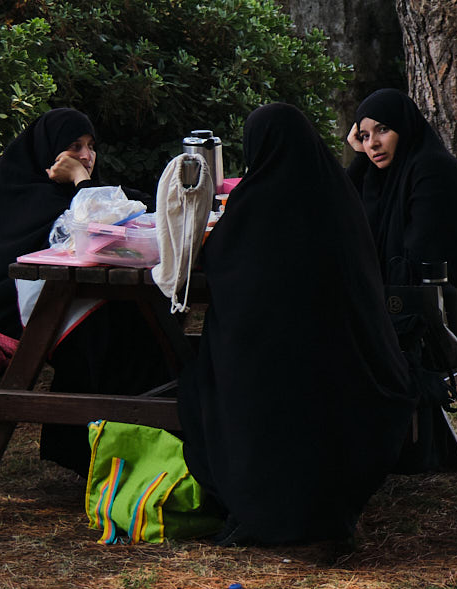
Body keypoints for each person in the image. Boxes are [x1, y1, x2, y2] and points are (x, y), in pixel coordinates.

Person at [178, 103, 415, 547]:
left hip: (268, 385)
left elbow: (219, 266)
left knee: (202, 376)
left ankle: (256, 504)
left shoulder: (254, 204)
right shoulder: (338, 196)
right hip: (347, 380)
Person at [0, 107, 169, 475]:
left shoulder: (64, 194)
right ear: (48, 152)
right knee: (117, 330)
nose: (86, 156)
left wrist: (83, 184)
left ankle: (129, 445)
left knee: (133, 324)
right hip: (6, 316)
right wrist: (81, 182)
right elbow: (96, 227)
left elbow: (130, 208)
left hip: (58, 302)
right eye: (74, 147)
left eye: (90, 146)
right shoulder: (26, 196)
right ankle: (105, 448)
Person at [345, 88, 457, 366]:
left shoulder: (432, 172)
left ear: (404, 127)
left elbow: (420, 257)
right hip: (427, 310)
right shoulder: (391, 175)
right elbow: (349, 216)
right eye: (364, 136)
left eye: (383, 129)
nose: (373, 144)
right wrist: (358, 157)